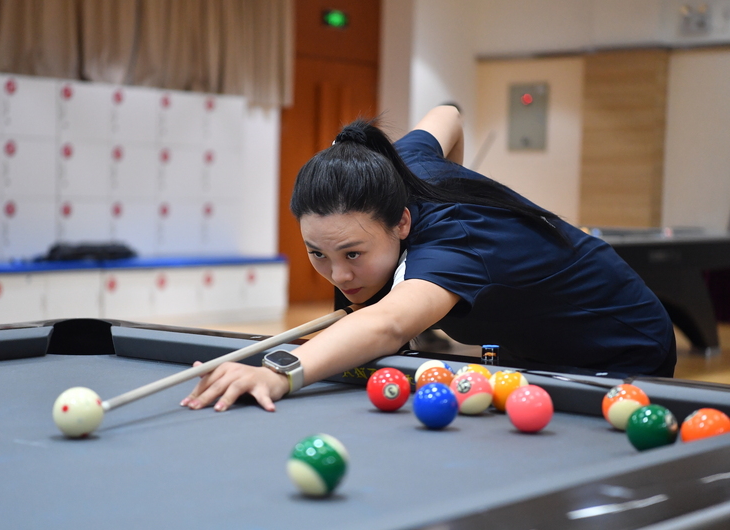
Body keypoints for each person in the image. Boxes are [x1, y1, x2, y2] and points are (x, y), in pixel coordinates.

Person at [181, 105, 676, 413]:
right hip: (535, 344)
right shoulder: (397, 165)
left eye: (353, 253)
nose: (340, 274)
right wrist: (449, 176)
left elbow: (388, 324)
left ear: (401, 223)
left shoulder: (451, 244)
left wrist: (277, 371)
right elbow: (448, 113)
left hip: (619, 346)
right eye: (318, 254)